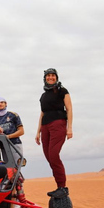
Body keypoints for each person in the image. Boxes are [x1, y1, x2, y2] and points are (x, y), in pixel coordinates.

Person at [35, 68, 73, 198]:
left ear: (56, 77)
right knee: (48, 157)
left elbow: (69, 109)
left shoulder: (62, 91)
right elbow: (42, 113)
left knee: (54, 155)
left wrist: (70, 128)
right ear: (45, 78)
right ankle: (59, 187)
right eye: (48, 76)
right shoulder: (43, 96)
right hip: (45, 126)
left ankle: (62, 187)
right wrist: (38, 131)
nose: (50, 78)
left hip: (58, 123)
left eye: (53, 76)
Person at [0, 96, 24, 164]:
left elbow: (21, 131)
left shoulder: (13, 115)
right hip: (4, 146)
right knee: (9, 166)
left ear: (6, 104)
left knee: (17, 165)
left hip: (14, 144)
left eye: (2, 102)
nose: (0, 104)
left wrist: (8, 137)